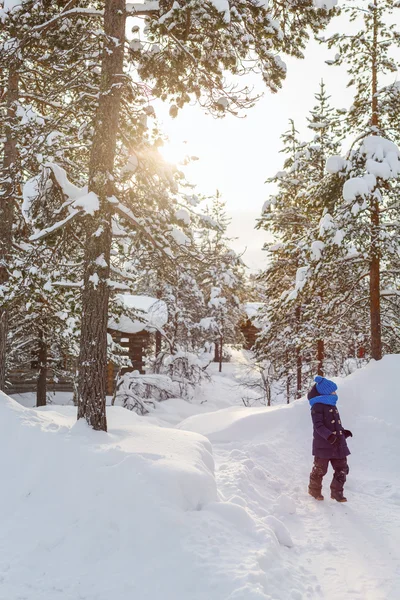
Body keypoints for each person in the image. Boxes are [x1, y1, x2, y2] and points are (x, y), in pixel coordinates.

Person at [308, 375, 352, 503]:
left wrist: (343, 432)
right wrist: (329, 436)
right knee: (320, 469)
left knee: (342, 469)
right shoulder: (317, 407)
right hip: (324, 444)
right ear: (324, 393)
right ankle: (314, 490)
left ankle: (337, 493)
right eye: (332, 391)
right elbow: (318, 425)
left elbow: (335, 425)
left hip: (337, 444)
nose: (335, 393)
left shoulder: (332, 406)